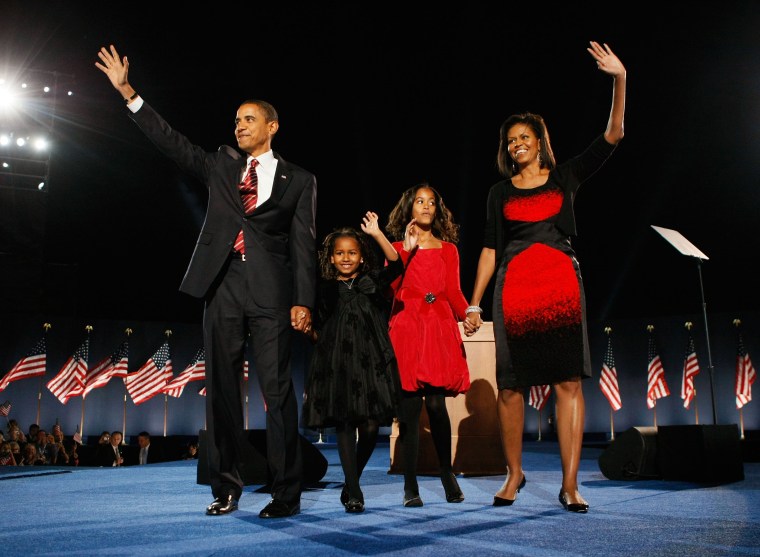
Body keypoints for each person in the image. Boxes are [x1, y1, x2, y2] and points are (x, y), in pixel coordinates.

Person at [96, 45, 316, 519]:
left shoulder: (300, 180)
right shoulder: (221, 164)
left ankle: (285, 494)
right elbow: (172, 142)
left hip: (273, 292)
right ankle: (227, 488)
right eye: (237, 119)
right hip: (222, 285)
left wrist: (304, 301)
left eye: (249, 119)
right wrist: (129, 93)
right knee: (220, 393)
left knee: (277, 394)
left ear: (272, 126)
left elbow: (303, 244)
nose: (239, 125)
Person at [465, 41, 626, 513]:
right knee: (511, 386)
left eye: (524, 137)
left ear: (539, 140)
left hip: (559, 287)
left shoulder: (566, 176)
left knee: (567, 384)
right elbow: (490, 249)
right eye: (510, 140)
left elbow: (614, 134)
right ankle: (514, 474)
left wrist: (620, 78)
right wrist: (474, 302)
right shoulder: (498, 192)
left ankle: (571, 484)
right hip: (513, 292)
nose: (516, 144)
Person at [301, 212, 403, 513]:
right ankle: (355, 492)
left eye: (352, 253)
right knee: (345, 424)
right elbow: (318, 331)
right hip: (336, 363)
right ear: (331, 258)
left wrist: (376, 234)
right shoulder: (324, 290)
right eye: (340, 253)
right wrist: (309, 333)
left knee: (371, 428)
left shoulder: (371, 281)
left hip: (370, 362)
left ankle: (351, 480)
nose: (346, 257)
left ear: (361, 257)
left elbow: (397, 265)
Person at [385, 183, 478, 507]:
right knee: (409, 411)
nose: (426, 206)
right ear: (409, 208)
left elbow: (453, 291)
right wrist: (406, 252)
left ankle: (446, 472)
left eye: (431, 202)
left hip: (438, 329)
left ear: (437, 210)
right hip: (408, 329)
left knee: (437, 406)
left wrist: (468, 312)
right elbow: (393, 288)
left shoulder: (449, 249)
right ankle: (410, 485)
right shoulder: (396, 247)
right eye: (420, 201)